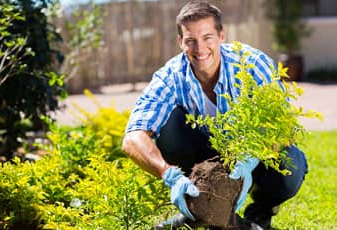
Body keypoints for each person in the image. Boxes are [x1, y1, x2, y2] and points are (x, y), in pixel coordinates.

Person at [121, 1, 308, 229]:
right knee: (170, 130)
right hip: (202, 156)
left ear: (221, 36)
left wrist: (251, 159)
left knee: (291, 168)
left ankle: (259, 213)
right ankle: (198, 208)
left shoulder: (251, 63)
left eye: (207, 37)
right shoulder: (170, 76)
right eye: (191, 41)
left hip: (251, 152)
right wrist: (168, 173)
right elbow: (132, 137)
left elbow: (284, 125)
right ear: (180, 42)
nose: (200, 49)